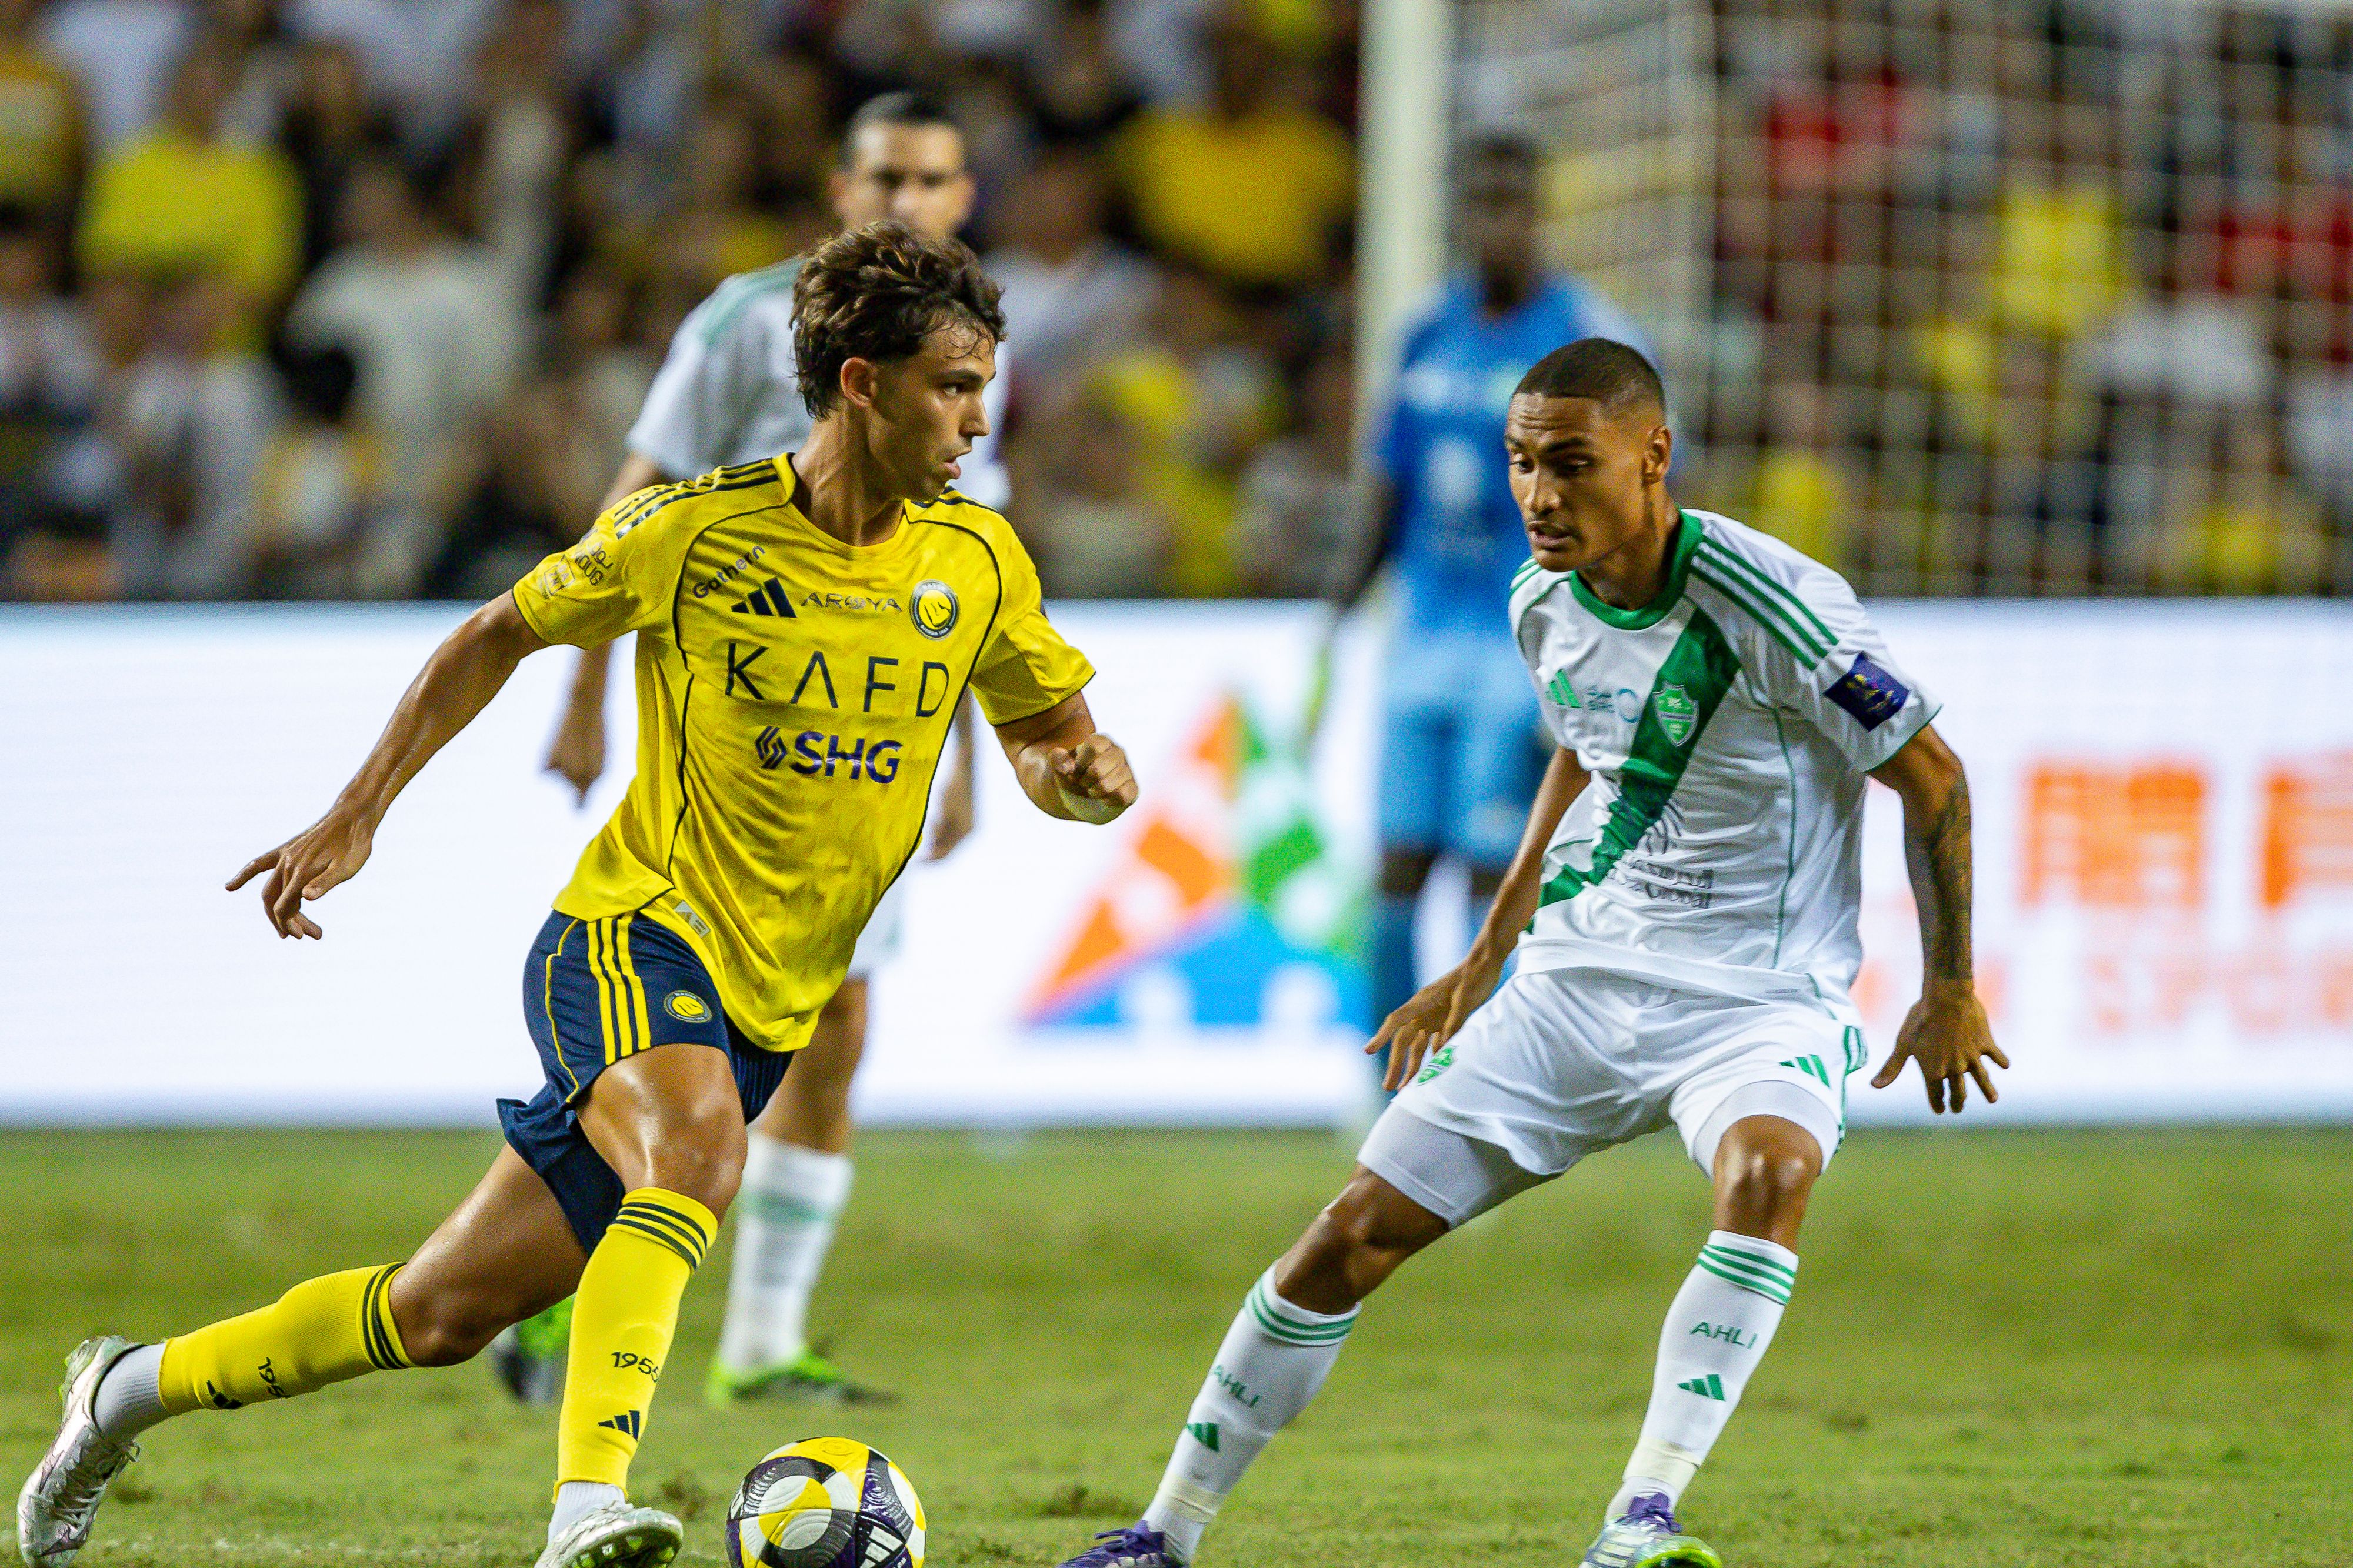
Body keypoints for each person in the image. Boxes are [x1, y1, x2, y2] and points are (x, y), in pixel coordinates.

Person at [18, 221, 1138, 1568]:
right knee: (700, 1156)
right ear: (861, 382)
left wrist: (1078, 773)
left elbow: (1044, 732)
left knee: (435, 1313)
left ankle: (120, 1391)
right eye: (952, 387)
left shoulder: (978, 559)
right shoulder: (693, 532)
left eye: (982, 386)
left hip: (769, 997)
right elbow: (492, 632)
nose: (976, 418)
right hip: (628, 932)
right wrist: (358, 810)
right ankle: (584, 1509)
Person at [1051, 338, 2002, 1568]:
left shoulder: (1773, 602)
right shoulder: (1536, 600)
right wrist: (1482, 953)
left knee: (1766, 1177)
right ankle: (1161, 1533)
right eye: (1519, 463)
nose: (1539, 494)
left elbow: (1928, 773)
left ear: (1652, 458)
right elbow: (1582, 744)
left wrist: (1948, 986)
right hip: (1576, 979)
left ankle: (1640, 1516)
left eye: (1570, 463)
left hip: (1758, 999)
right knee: (1348, 1231)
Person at [508, 89, 1003, 1411]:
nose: (910, 201)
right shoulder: (742, 324)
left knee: (834, 1027)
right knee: (685, 1039)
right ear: (841, 189)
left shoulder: (969, 343)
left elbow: (951, 579)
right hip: (736, 731)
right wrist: (583, 696)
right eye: (887, 177)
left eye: (936, 180)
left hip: (868, 747)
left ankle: (759, 1343)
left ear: (963, 197)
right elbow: (634, 509)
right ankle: (560, 1273)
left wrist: (959, 759)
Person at [1322, 132, 1649, 1076]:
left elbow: (1634, 510)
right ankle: (1382, 1087)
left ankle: (1479, 1083)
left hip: (1527, 645)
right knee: (1394, 865)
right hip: (1421, 631)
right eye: (1480, 203)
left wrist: (1610, 646)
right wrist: (1336, 608)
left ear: (1539, 211)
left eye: (1512, 202)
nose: (1495, 222)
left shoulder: (1589, 342)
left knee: (1488, 868)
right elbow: (1389, 485)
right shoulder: (1427, 331)